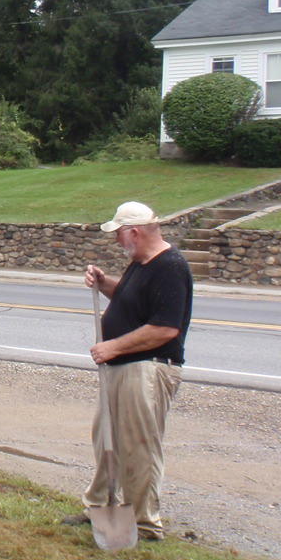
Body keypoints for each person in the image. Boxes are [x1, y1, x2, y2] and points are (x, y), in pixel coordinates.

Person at [73, 200, 192, 541]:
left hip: (148, 370)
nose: (116, 242)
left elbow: (165, 328)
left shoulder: (170, 267)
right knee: (107, 440)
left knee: (138, 446)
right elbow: (128, 301)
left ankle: (144, 523)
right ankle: (99, 506)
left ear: (134, 233)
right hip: (121, 369)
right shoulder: (141, 264)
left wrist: (113, 346)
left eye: (118, 235)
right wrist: (104, 282)